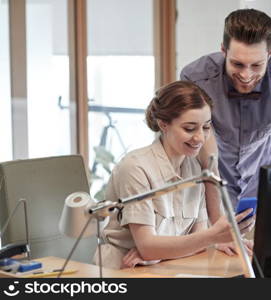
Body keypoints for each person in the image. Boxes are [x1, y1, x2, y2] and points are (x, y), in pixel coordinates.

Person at [181, 9, 271, 224]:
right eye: (237, 64)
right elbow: (208, 157)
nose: (246, 75)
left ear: (270, 54)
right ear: (223, 51)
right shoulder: (196, 78)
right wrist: (217, 220)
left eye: (256, 65)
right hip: (210, 185)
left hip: (258, 187)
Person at [93, 81, 253, 269]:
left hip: (167, 267)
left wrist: (160, 254)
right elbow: (148, 246)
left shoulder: (195, 170)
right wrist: (210, 237)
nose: (200, 138)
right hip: (124, 270)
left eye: (206, 127)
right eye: (189, 128)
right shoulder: (135, 168)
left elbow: (195, 240)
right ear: (163, 124)